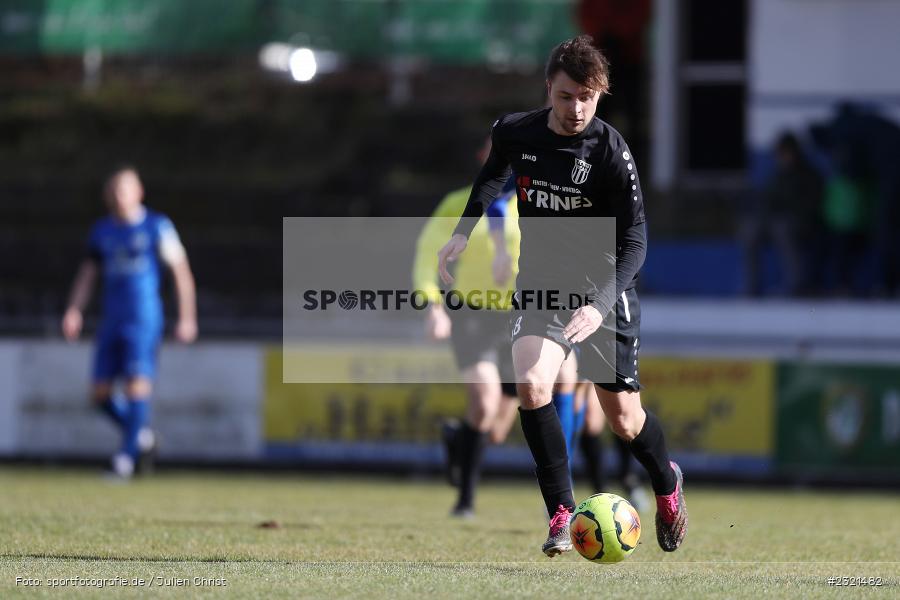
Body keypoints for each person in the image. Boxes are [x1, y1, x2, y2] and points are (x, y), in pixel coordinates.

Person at [437, 35, 687, 555]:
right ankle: (561, 513)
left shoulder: (611, 151)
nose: (575, 108)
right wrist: (463, 231)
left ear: (600, 94)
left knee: (624, 421)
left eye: (586, 98)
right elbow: (492, 176)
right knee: (531, 384)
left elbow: (636, 240)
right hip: (542, 282)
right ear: (548, 89)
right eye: (566, 96)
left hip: (605, 290)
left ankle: (667, 484)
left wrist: (599, 305)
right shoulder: (515, 131)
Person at [62, 166, 197, 478]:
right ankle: (141, 437)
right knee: (99, 394)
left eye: (123, 190)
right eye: (113, 191)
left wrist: (187, 317)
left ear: (139, 192)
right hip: (112, 319)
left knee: (137, 386)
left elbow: (181, 273)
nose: (118, 196)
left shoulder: (157, 226)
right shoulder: (102, 231)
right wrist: (74, 310)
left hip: (143, 319)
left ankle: (124, 461)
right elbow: (87, 275)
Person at [413, 141, 520, 517]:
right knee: (485, 401)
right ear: (483, 159)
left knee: (497, 430)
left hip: (520, 318)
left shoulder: (536, 204)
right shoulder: (457, 203)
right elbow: (426, 255)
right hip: (472, 314)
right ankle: (465, 502)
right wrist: (433, 306)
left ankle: (457, 438)